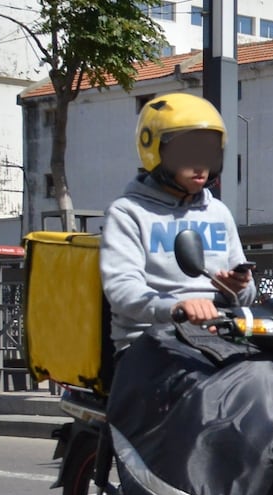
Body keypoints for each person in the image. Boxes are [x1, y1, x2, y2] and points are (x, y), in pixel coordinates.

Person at [100, 92, 256, 350]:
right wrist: (175, 307)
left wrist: (237, 287)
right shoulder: (128, 212)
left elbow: (246, 295)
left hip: (218, 337)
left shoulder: (218, 212)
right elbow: (122, 290)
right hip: (150, 343)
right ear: (156, 150)